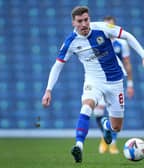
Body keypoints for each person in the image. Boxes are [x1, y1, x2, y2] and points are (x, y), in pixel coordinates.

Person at [42, 6, 144, 163]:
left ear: (89, 19)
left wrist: (143, 55)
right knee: (87, 106)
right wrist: (48, 90)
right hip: (93, 81)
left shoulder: (102, 28)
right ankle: (79, 145)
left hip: (115, 81)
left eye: (86, 20)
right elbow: (57, 66)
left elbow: (127, 36)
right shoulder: (71, 42)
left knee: (117, 127)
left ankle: (106, 125)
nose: (84, 24)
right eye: (79, 21)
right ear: (73, 23)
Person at [94, 16, 134, 154]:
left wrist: (130, 84)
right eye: (106, 26)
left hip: (116, 80)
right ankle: (105, 136)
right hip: (100, 81)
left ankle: (113, 144)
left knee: (115, 114)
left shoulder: (122, 44)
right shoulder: (97, 42)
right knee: (98, 112)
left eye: (111, 26)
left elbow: (127, 64)